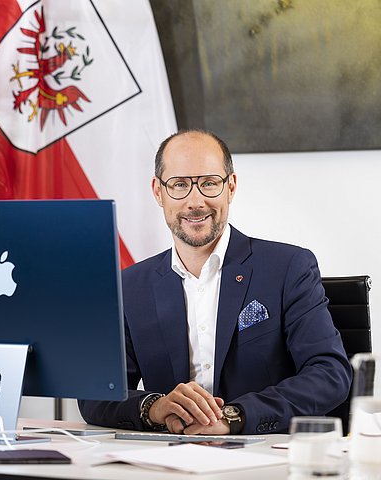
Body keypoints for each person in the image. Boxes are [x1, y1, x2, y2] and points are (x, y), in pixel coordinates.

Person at [78, 129, 352, 435]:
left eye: (209, 183)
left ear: (230, 187)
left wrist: (234, 417)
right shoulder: (130, 286)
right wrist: (155, 407)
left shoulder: (288, 268)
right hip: (165, 459)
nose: (195, 201)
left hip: (261, 457)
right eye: (179, 185)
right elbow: (96, 393)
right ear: (158, 192)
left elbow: (330, 374)